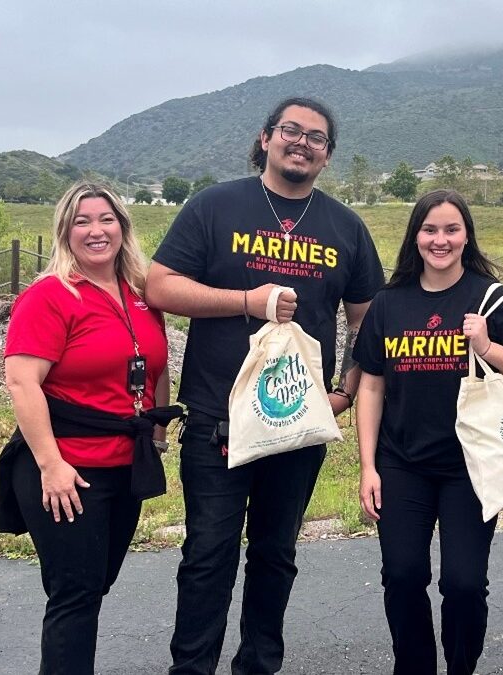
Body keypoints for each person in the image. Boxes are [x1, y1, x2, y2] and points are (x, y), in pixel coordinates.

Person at [145, 96, 384, 674]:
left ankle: (258, 665)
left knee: (276, 556)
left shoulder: (344, 226)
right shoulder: (215, 206)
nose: (301, 143)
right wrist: (246, 302)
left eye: (316, 138)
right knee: (208, 554)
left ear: (327, 156)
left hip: (297, 423)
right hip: (216, 420)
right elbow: (160, 286)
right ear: (267, 137)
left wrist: (346, 391)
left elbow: (367, 322)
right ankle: (192, 668)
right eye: (291, 131)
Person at [353, 189, 503, 675]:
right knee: (402, 575)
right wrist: (368, 466)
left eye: (451, 230)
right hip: (402, 464)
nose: (440, 240)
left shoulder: (492, 299)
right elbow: (372, 387)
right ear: (415, 236)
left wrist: (487, 345)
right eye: (430, 230)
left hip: (471, 469)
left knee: (463, 584)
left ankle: (462, 666)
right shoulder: (388, 303)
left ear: (467, 236)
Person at [0, 181, 175, 675]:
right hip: (69, 470)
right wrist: (50, 465)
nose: (96, 231)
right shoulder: (50, 296)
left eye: (106, 219)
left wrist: (156, 436)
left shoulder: (140, 294)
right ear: (65, 232)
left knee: (95, 584)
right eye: (82, 221)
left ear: (122, 226)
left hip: (126, 465)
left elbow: (153, 365)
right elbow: (21, 382)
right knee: (74, 594)